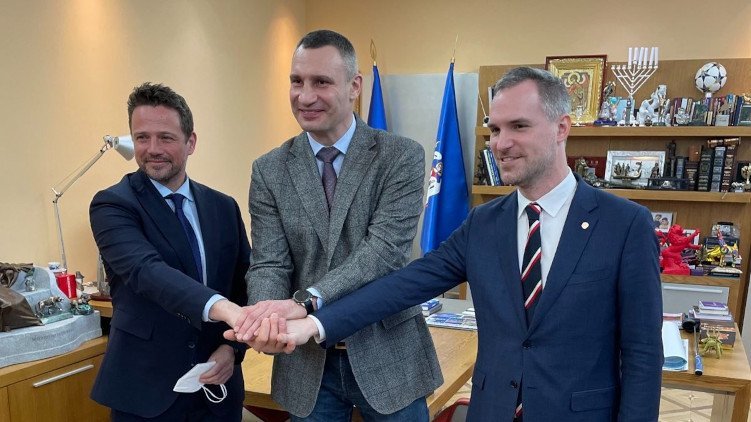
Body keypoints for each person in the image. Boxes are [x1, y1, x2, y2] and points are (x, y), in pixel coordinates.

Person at [269, 67, 664, 421]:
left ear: (562, 128)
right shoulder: (484, 223)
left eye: (519, 126)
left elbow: (643, 355)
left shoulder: (625, 225)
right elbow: (402, 286)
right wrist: (315, 321)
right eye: (495, 130)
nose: (501, 143)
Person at [231, 29, 442, 421]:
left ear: (354, 86)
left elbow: (383, 253)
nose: (305, 96)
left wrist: (307, 301)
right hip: (306, 364)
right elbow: (270, 262)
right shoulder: (269, 169)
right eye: (296, 81)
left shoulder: (400, 156)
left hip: (388, 356)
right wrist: (267, 317)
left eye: (321, 82)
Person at [89, 82, 251, 421]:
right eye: (142, 137)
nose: (152, 149)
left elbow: (245, 283)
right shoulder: (112, 204)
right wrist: (225, 309)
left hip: (217, 386)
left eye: (165, 137)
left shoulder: (223, 207)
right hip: (146, 391)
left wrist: (232, 348)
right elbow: (147, 271)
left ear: (190, 142)